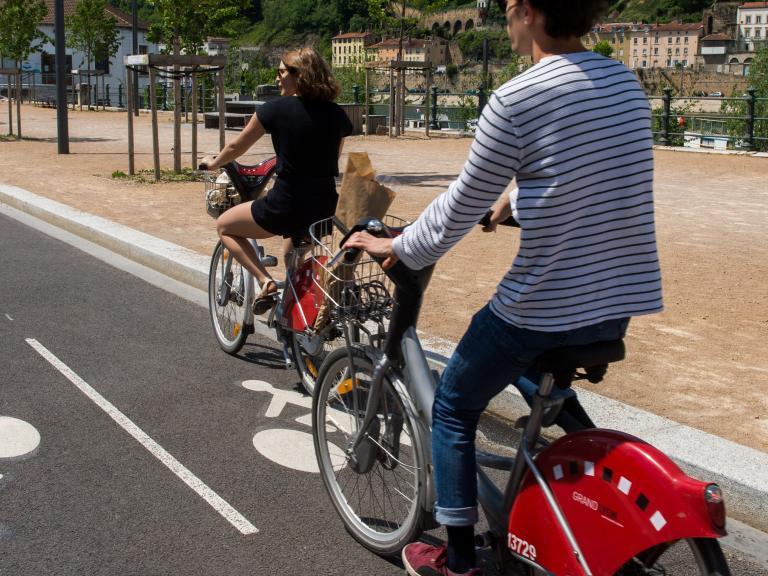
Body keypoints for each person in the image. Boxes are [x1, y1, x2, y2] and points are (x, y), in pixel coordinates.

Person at [343, 1, 663, 574]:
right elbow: (584, 169)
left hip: (545, 305)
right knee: (533, 377)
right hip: (618, 302)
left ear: (531, 13)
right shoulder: (625, 83)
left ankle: (459, 559)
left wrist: (400, 246)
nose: (507, 14)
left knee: (455, 405)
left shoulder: (517, 97)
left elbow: (457, 206)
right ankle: (589, 471)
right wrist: (513, 200)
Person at [200, 47, 353, 312]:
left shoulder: (273, 110)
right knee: (292, 249)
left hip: (286, 205)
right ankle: (292, 316)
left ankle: (265, 282)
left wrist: (213, 162)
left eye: (282, 71)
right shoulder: (337, 114)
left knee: (225, 226)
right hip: (324, 207)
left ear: (299, 75)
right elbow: (332, 158)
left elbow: (237, 147)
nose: (277, 77)